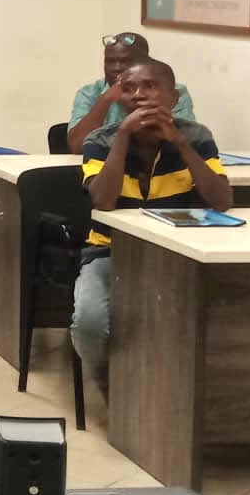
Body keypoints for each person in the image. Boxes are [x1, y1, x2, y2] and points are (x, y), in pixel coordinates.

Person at [73, 57, 231, 391]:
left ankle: (163, 385)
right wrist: (123, 137)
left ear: (174, 97)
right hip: (109, 252)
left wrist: (181, 143)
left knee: (200, 320)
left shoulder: (196, 136)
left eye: (150, 86)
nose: (139, 95)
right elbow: (103, 200)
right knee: (89, 324)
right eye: (129, 89)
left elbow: (221, 201)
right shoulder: (101, 140)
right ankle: (108, 381)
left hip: (176, 254)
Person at [66, 32, 196, 155]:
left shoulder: (170, 92)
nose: (116, 68)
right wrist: (105, 100)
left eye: (126, 61)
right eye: (110, 61)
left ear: (146, 62)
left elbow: (186, 144)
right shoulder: (90, 93)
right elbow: (77, 147)